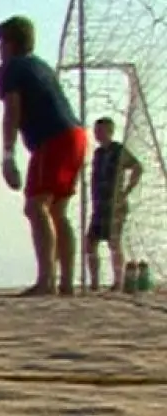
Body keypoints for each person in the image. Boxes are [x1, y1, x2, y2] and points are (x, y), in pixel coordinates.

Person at [0, 15, 89, 296]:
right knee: (57, 210)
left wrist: (8, 155)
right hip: (76, 135)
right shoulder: (41, 66)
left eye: (1, 43)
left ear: (10, 44)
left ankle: (47, 279)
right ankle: (66, 282)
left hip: (54, 137)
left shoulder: (10, 69)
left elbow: (12, 110)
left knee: (37, 206)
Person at [85, 116, 145, 292]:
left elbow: (137, 167)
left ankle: (118, 280)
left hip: (114, 205)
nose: (97, 134)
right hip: (99, 205)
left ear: (109, 131)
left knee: (114, 241)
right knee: (90, 242)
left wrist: (127, 190)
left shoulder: (118, 150)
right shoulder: (98, 153)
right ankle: (94, 281)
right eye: (96, 131)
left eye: (100, 131)